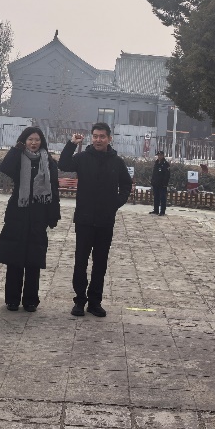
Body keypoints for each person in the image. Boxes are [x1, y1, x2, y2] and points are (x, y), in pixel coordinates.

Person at [59, 123, 132, 318]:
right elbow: (63, 165)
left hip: (105, 221)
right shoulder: (82, 158)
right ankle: (79, 300)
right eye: (95, 136)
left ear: (109, 138)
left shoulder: (117, 162)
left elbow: (126, 184)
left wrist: (116, 202)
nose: (98, 140)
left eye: (102, 136)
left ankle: (95, 302)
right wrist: (72, 144)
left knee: (100, 263)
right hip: (84, 219)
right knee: (80, 261)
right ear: (92, 137)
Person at [0, 126, 60, 312]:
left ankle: (31, 300)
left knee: (34, 259)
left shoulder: (48, 161)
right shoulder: (18, 158)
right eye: (30, 139)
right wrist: (17, 148)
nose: (33, 143)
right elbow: (5, 168)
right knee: (14, 258)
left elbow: (53, 189)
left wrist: (53, 214)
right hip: (18, 212)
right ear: (24, 141)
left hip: (39, 215)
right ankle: (12, 299)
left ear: (42, 142)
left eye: (37, 140)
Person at [150, 149, 171, 216]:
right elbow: (154, 173)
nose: (159, 156)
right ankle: (156, 210)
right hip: (156, 183)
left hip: (162, 184)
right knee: (156, 197)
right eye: (158, 155)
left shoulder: (165, 164)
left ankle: (162, 211)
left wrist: (165, 183)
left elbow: (167, 175)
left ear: (163, 156)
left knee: (162, 198)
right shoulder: (156, 163)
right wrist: (152, 181)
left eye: (160, 155)